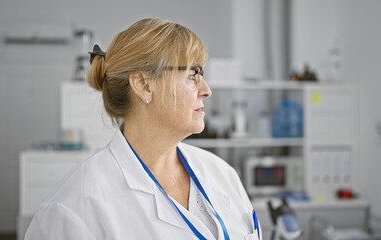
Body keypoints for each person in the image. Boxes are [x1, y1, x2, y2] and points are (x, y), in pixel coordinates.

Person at [25, 18, 261, 240]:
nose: (207, 90)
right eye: (192, 74)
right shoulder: (74, 210)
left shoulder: (221, 173)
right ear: (144, 85)